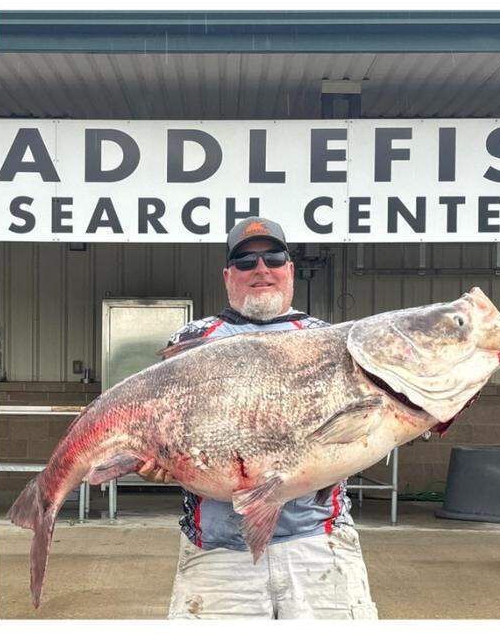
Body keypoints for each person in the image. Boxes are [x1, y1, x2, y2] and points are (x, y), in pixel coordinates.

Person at [141, 217, 377, 620]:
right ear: (228, 275)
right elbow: (163, 425)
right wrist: (155, 458)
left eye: (273, 257)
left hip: (319, 544)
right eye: (246, 261)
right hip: (217, 555)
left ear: (290, 269)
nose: (261, 269)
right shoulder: (192, 341)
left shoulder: (327, 338)